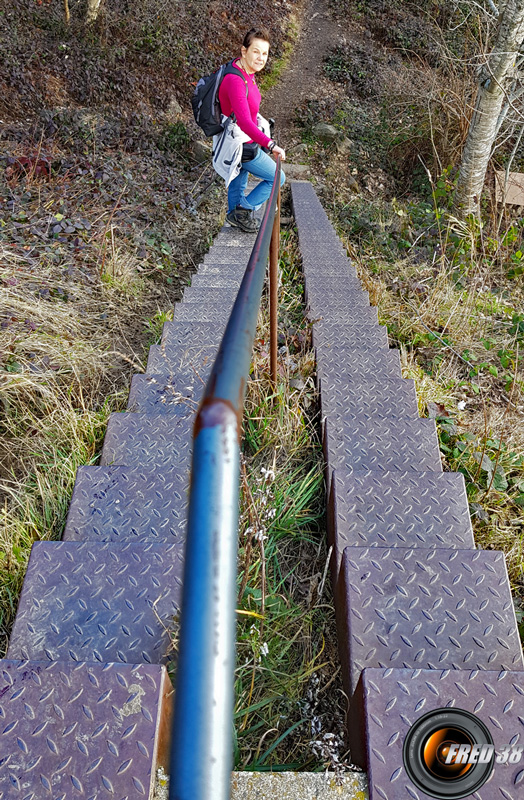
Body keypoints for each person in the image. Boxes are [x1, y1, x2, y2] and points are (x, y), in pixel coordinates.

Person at [215, 27, 286, 233]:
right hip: (241, 144)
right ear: (244, 51)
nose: (261, 57)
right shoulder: (236, 80)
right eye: (256, 51)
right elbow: (245, 122)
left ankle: (237, 216)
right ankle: (243, 210)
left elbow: (249, 112)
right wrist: (271, 144)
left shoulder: (246, 72)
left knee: (240, 182)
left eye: (265, 53)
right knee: (277, 178)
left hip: (240, 142)